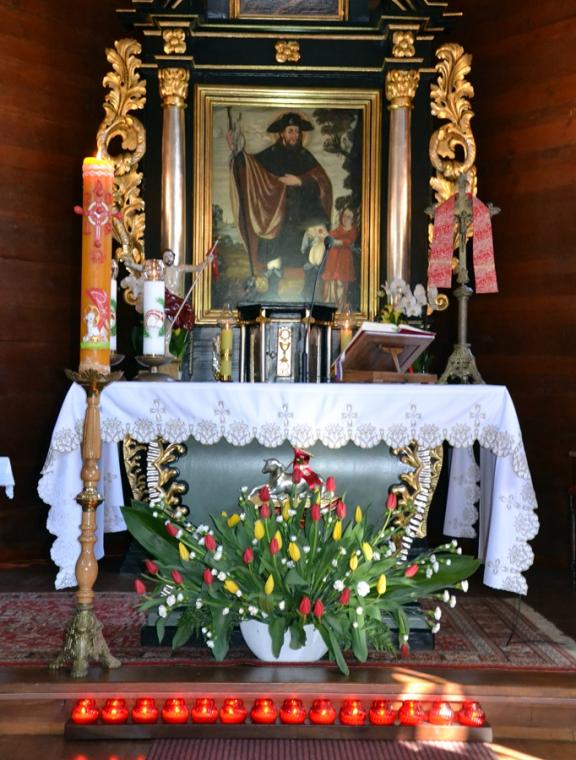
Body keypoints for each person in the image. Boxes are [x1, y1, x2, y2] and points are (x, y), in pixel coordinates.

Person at [229, 111, 333, 297]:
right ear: (282, 133)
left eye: (297, 131)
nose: (294, 135)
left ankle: (307, 295)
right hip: (277, 218)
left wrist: (299, 181)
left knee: (310, 255)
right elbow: (251, 167)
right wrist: (237, 153)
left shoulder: (305, 156)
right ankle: (272, 295)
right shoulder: (272, 154)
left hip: (302, 218)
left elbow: (323, 183)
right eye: (290, 131)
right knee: (273, 255)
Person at [322, 206, 357, 309]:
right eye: (344, 216)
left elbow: (347, 241)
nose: (345, 218)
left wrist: (335, 241)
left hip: (344, 260)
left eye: (348, 217)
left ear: (352, 219)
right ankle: (328, 308)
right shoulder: (338, 229)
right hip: (333, 259)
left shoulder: (352, 231)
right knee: (330, 283)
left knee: (340, 284)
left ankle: (339, 309)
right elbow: (330, 236)